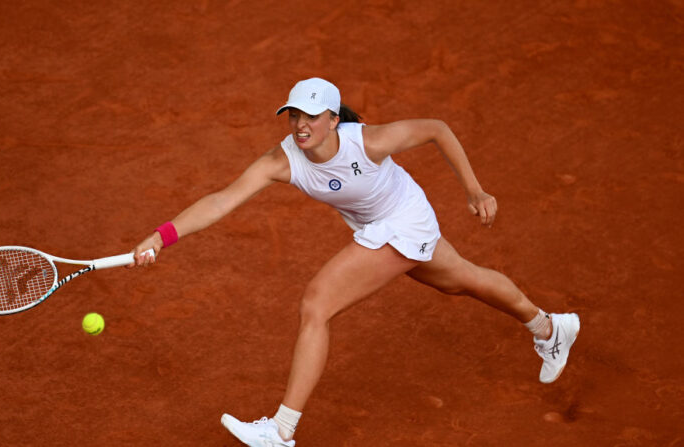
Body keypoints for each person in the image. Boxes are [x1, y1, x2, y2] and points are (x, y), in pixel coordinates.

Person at [130, 77, 580, 447]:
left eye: (310, 116)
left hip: (403, 221)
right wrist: (160, 237)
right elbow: (221, 201)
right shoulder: (281, 161)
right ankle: (550, 328)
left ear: (331, 119)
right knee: (461, 280)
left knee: (317, 304)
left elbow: (438, 128)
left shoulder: (367, 141)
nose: (300, 125)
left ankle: (281, 430)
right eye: (294, 115)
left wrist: (475, 190)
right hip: (387, 223)